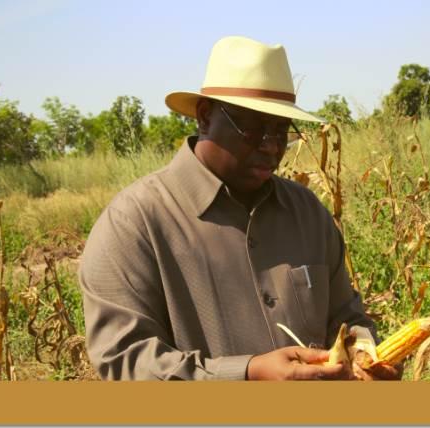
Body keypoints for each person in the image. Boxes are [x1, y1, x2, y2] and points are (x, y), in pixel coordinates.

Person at [79, 36, 399, 380]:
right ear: (205, 117)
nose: (271, 147)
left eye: (281, 131)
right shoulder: (134, 223)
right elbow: (124, 360)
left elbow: (345, 317)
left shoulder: (306, 211)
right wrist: (246, 375)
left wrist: (367, 353)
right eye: (253, 128)